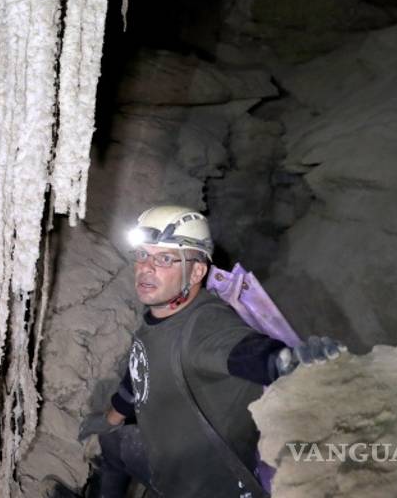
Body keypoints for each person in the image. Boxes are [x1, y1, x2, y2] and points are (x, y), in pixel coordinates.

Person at [63, 205, 344, 498]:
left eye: (165, 259)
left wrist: (286, 360)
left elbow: (246, 351)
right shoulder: (159, 318)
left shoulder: (205, 324)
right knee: (113, 443)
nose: (146, 267)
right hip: (165, 465)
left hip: (205, 488)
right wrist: (108, 421)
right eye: (143, 254)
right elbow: (138, 375)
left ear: (197, 271)